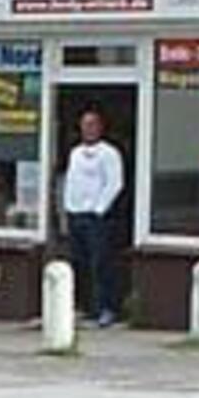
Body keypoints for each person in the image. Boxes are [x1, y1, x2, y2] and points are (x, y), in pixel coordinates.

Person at [62, 108, 127, 326]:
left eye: (92, 124)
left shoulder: (109, 153)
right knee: (80, 263)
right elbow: (71, 181)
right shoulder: (75, 153)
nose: (88, 129)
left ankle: (107, 308)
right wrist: (69, 208)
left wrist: (99, 209)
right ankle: (87, 308)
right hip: (76, 215)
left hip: (97, 218)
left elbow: (115, 183)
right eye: (84, 125)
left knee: (102, 263)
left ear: (100, 127)